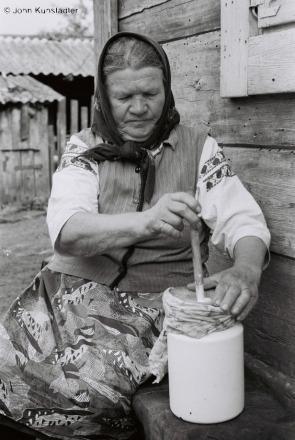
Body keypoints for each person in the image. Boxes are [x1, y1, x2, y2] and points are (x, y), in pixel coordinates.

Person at [0, 32, 270, 440]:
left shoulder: (199, 150)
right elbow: (68, 232)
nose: (140, 108)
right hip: (64, 295)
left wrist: (246, 269)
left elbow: (244, 221)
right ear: (102, 99)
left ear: (168, 90)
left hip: (145, 309)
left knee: (84, 394)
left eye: (151, 93)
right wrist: (147, 220)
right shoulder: (83, 149)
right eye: (124, 98)